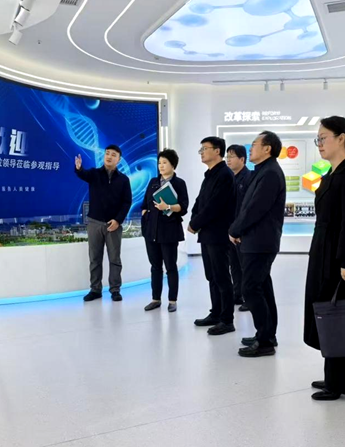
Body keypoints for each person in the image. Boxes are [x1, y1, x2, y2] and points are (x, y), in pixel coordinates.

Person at [303, 116, 345, 401]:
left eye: (323, 138)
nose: (319, 144)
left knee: (340, 317)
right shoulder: (333, 173)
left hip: (341, 256)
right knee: (328, 313)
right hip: (324, 251)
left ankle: (339, 383)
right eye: (317, 139)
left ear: (341, 138)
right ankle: (336, 377)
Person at [230, 132, 286, 357]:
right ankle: (267, 334)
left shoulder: (270, 173)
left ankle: (264, 342)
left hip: (260, 241)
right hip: (257, 240)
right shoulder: (263, 171)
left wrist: (235, 229)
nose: (250, 148)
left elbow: (255, 208)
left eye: (254, 144)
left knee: (250, 288)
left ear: (267, 149)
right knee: (262, 287)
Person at [189, 136, 237, 336]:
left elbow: (214, 206)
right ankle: (216, 313)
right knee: (212, 276)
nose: (201, 152)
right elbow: (200, 201)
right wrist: (193, 219)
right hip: (207, 233)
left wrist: (195, 223)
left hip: (218, 234)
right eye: (200, 149)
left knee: (222, 277)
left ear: (217, 151)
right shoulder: (209, 174)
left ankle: (227, 320)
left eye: (204, 149)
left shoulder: (224, 175)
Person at [74, 145, 132, 302]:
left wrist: (118, 220)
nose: (109, 156)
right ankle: (95, 289)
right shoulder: (94, 174)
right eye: (107, 153)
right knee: (95, 258)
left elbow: (127, 202)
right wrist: (79, 168)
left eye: (113, 155)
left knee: (115, 259)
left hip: (113, 225)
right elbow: (83, 174)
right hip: (94, 223)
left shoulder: (123, 180)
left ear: (118, 159)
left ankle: (115, 290)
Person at [141, 149, 189, 313]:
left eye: (164, 163)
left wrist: (167, 206)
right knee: (155, 266)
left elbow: (183, 207)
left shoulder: (179, 183)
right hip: (151, 231)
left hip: (169, 231)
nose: (161, 166)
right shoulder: (153, 182)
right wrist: (145, 215)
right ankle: (155, 299)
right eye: (159, 163)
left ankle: (172, 300)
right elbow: (145, 204)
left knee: (170, 266)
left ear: (173, 165)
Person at [226, 144, 253, 311]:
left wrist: (240, 229)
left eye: (232, 156)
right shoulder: (230, 178)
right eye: (227, 156)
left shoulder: (248, 178)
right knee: (234, 264)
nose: (228, 160)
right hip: (230, 230)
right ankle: (237, 294)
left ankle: (249, 299)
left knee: (246, 266)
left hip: (242, 231)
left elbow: (247, 208)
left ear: (242, 159)